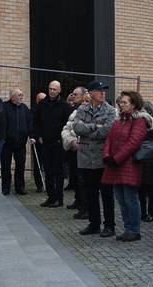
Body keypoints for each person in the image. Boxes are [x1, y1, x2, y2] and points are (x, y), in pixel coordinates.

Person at [102, 90, 150, 242]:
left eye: (125, 102)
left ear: (134, 104)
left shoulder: (139, 120)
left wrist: (117, 158)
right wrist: (107, 156)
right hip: (114, 165)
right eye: (120, 102)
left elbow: (134, 143)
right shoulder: (118, 120)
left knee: (130, 198)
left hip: (128, 164)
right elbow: (109, 139)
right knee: (121, 199)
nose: (121, 105)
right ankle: (127, 228)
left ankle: (134, 230)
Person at [73, 81, 117, 237]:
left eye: (104, 90)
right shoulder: (82, 109)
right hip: (85, 158)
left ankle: (110, 225)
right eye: (99, 90)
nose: (103, 93)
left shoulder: (111, 110)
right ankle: (94, 224)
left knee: (106, 194)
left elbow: (107, 130)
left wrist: (88, 129)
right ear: (90, 93)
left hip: (101, 158)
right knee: (90, 193)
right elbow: (76, 127)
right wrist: (94, 126)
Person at [34, 81, 71, 207]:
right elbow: (36, 121)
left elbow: (68, 124)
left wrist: (62, 138)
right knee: (47, 171)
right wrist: (38, 136)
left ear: (59, 90)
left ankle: (59, 199)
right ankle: (51, 197)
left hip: (58, 143)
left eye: (55, 89)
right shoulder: (42, 104)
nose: (52, 91)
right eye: (50, 89)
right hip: (45, 143)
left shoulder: (64, 106)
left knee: (58, 172)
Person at [1, 89, 34, 196]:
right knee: (6, 166)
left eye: (22, 95)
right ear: (12, 97)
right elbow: (2, 123)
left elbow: (29, 123)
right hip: (7, 143)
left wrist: (32, 136)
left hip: (21, 143)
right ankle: (6, 187)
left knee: (20, 166)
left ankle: (20, 187)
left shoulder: (24, 108)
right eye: (19, 95)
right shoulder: (4, 106)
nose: (21, 97)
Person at [61, 86, 88, 217]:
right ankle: (78, 201)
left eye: (76, 94)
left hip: (83, 149)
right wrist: (70, 140)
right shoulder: (73, 110)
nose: (73, 96)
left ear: (84, 96)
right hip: (73, 148)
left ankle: (85, 206)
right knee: (76, 177)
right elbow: (68, 128)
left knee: (83, 179)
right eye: (72, 94)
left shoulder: (88, 110)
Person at [139, 101, 153, 222]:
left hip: (150, 159)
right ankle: (143, 212)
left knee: (151, 187)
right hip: (142, 158)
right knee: (142, 188)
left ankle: (150, 212)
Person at [32, 92, 46, 193]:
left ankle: (50, 183)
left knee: (49, 164)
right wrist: (36, 137)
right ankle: (39, 185)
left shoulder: (49, 110)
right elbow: (32, 126)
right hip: (37, 141)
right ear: (37, 101)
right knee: (37, 165)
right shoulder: (33, 111)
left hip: (48, 141)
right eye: (40, 100)